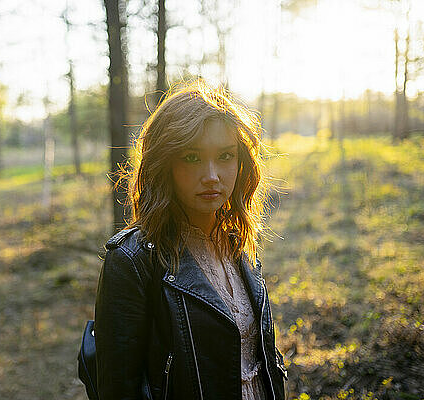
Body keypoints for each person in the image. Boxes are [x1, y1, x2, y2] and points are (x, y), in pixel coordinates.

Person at [94, 80, 287, 400]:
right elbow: (118, 389)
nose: (212, 175)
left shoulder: (237, 242)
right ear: (165, 163)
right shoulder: (132, 262)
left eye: (225, 156)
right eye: (193, 158)